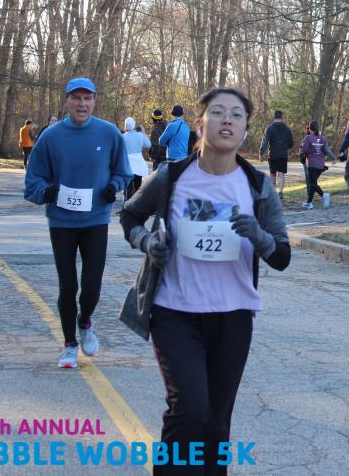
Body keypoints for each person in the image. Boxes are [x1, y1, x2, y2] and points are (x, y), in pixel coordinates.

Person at [118, 87, 290, 476]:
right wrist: (148, 243)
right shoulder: (172, 176)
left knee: (216, 421)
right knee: (189, 410)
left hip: (233, 317)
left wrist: (258, 236)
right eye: (218, 112)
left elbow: (281, 255)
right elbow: (129, 216)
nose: (227, 120)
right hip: (174, 312)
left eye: (236, 114)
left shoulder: (256, 185)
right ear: (200, 125)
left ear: (245, 130)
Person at [23, 77, 132, 369]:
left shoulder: (109, 133)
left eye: (87, 98)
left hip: (95, 219)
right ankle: (69, 344)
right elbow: (32, 181)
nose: (82, 104)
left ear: (94, 101)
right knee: (67, 285)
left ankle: (85, 321)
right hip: (62, 221)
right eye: (76, 98)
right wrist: (46, 192)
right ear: (67, 101)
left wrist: (113, 187)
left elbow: (123, 172)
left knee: (92, 286)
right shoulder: (50, 137)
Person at [299, 120, 336, 209]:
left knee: (312, 184)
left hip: (312, 165)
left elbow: (303, 150)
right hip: (320, 165)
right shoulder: (323, 138)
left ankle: (324, 195)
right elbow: (327, 149)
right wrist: (333, 158)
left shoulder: (308, 138)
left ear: (310, 128)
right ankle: (309, 203)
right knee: (313, 184)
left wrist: (302, 151)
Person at [259, 110, 295, 199]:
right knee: (281, 174)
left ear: (274, 117)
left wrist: (261, 152)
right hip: (283, 155)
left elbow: (265, 141)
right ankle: (280, 192)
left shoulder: (269, 128)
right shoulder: (287, 129)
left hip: (272, 155)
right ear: (282, 117)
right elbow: (291, 143)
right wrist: (286, 147)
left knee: (272, 174)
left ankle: (273, 193)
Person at [123, 116, 152, 201]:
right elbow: (148, 145)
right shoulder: (140, 136)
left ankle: (127, 204)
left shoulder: (123, 137)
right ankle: (136, 204)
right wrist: (143, 133)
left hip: (128, 164)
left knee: (128, 188)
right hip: (138, 164)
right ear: (134, 125)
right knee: (138, 187)